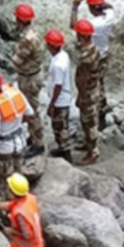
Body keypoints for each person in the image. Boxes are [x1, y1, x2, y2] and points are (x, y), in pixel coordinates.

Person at [0, 73, 34, 190]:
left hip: (4, 147)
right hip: (20, 140)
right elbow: (30, 115)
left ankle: (11, 202)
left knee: (7, 179)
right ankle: (24, 194)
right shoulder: (16, 94)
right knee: (19, 173)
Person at [73, 0, 116, 128]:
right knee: (100, 82)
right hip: (104, 55)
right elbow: (109, 6)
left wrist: (75, 7)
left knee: (92, 86)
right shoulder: (110, 15)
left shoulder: (93, 24)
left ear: (91, 8)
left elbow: (74, 27)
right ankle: (103, 108)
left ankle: (97, 116)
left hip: (93, 57)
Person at [12, 4, 47, 154]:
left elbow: (17, 60)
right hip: (35, 74)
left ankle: (37, 144)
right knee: (32, 109)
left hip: (29, 78)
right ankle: (34, 137)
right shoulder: (35, 33)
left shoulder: (26, 40)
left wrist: (13, 51)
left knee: (32, 112)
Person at [72, 20, 102, 166]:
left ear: (80, 35)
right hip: (94, 89)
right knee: (87, 120)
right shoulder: (94, 48)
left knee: (89, 122)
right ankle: (87, 143)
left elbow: (83, 78)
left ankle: (93, 152)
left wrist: (80, 96)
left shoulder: (85, 57)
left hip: (88, 92)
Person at [45, 30, 74, 158]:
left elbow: (58, 85)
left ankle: (65, 151)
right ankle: (63, 148)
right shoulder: (63, 55)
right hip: (64, 97)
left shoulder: (58, 65)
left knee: (59, 127)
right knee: (63, 125)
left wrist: (52, 104)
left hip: (60, 100)